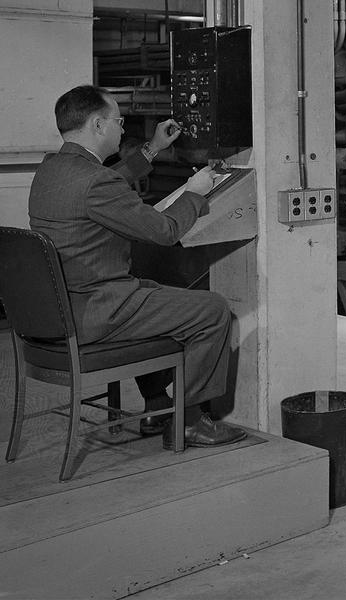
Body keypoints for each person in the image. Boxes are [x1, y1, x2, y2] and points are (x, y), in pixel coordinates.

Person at [28, 85, 245, 448]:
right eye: (118, 121)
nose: (123, 129)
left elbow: (107, 185)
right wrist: (195, 191)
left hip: (59, 310)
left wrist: (154, 148)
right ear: (98, 125)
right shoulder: (97, 182)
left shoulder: (52, 170)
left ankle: (158, 407)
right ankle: (189, 420)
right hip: (97, 311)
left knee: (157, 291)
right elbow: (164, 231)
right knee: (212, 311)